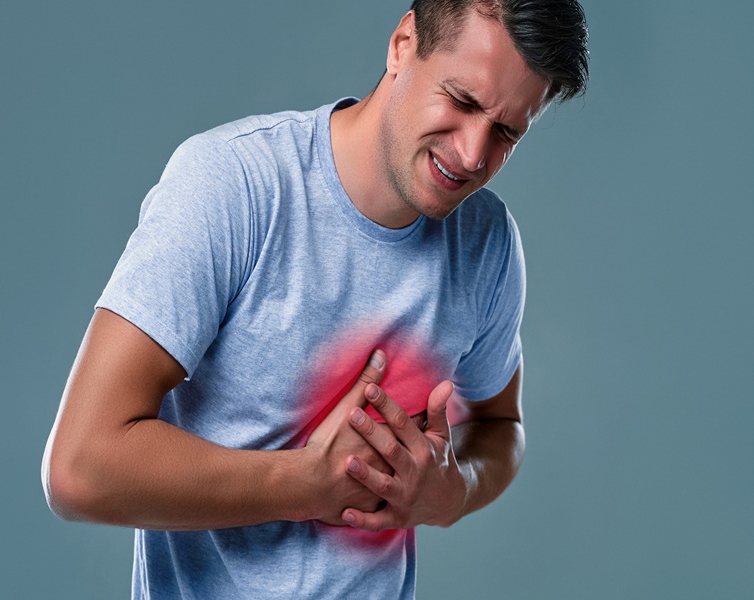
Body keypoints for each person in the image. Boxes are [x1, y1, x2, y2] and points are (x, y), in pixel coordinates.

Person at [42, 0, 588, 597]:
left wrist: (453, 492)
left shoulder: (487, 241)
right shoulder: (233, 186)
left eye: (506, 132)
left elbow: (501, 425)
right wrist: (306, 483)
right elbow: (79, 467)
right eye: (461, 101)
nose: (473, 155)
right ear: (403, 44)